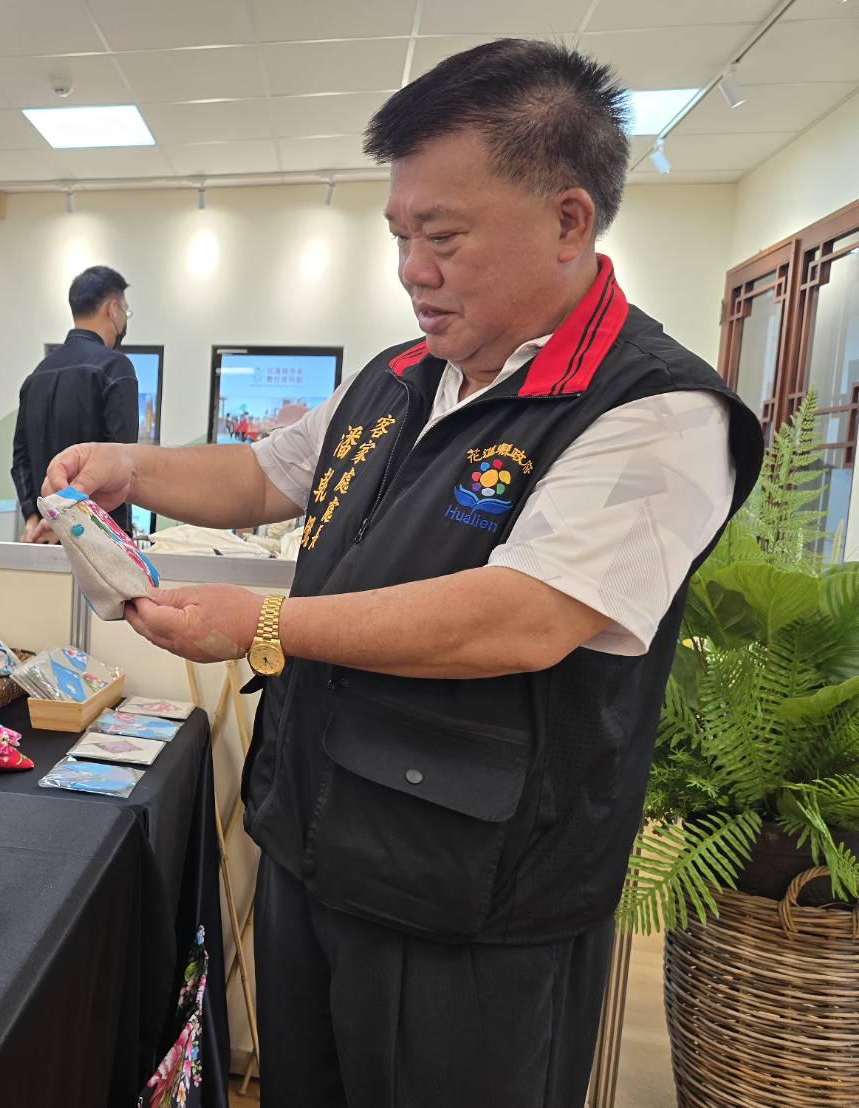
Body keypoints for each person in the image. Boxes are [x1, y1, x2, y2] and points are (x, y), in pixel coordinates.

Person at [45, 40, 762, 1107]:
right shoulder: (398, 377)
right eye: (398, 235)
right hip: (313, 845)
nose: (411, 269)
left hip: (473, 902)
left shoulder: (656, 409)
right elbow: (263, 473)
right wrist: (128, 466)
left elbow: (523, 617)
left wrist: (265, 625)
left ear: (569, 221)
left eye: (443, 236)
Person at [12, 265, 139, 543]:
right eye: (126, 312)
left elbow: (20, 459)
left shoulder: (36, 376)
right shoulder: (115, 368)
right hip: (98, 538)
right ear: (113, 309)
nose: (124, 320)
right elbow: (123, 459)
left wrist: (33, 516)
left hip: (44, 534)